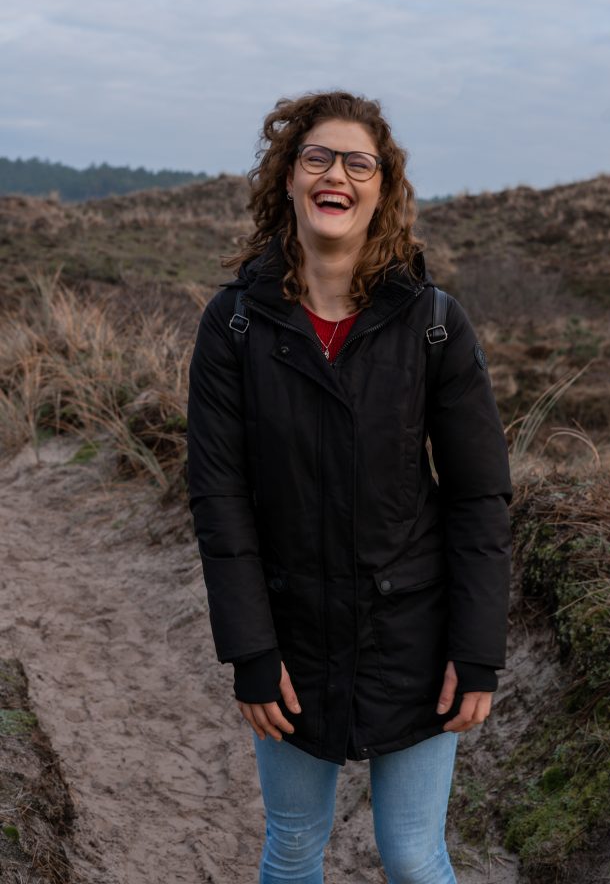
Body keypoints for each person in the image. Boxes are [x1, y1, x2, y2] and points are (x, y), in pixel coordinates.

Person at [186, 90, 512, 883]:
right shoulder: (234, 327)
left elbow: (477, 497)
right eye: (317, 157)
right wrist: (250, 652)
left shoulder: (433, 322)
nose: (338, 174)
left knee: (411, 853)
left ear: (382, 187)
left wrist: (476, 653)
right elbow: (219, 501)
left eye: (358, 161)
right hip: (292, 636)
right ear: (289, 180)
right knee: (294, 843)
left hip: (416, 632)